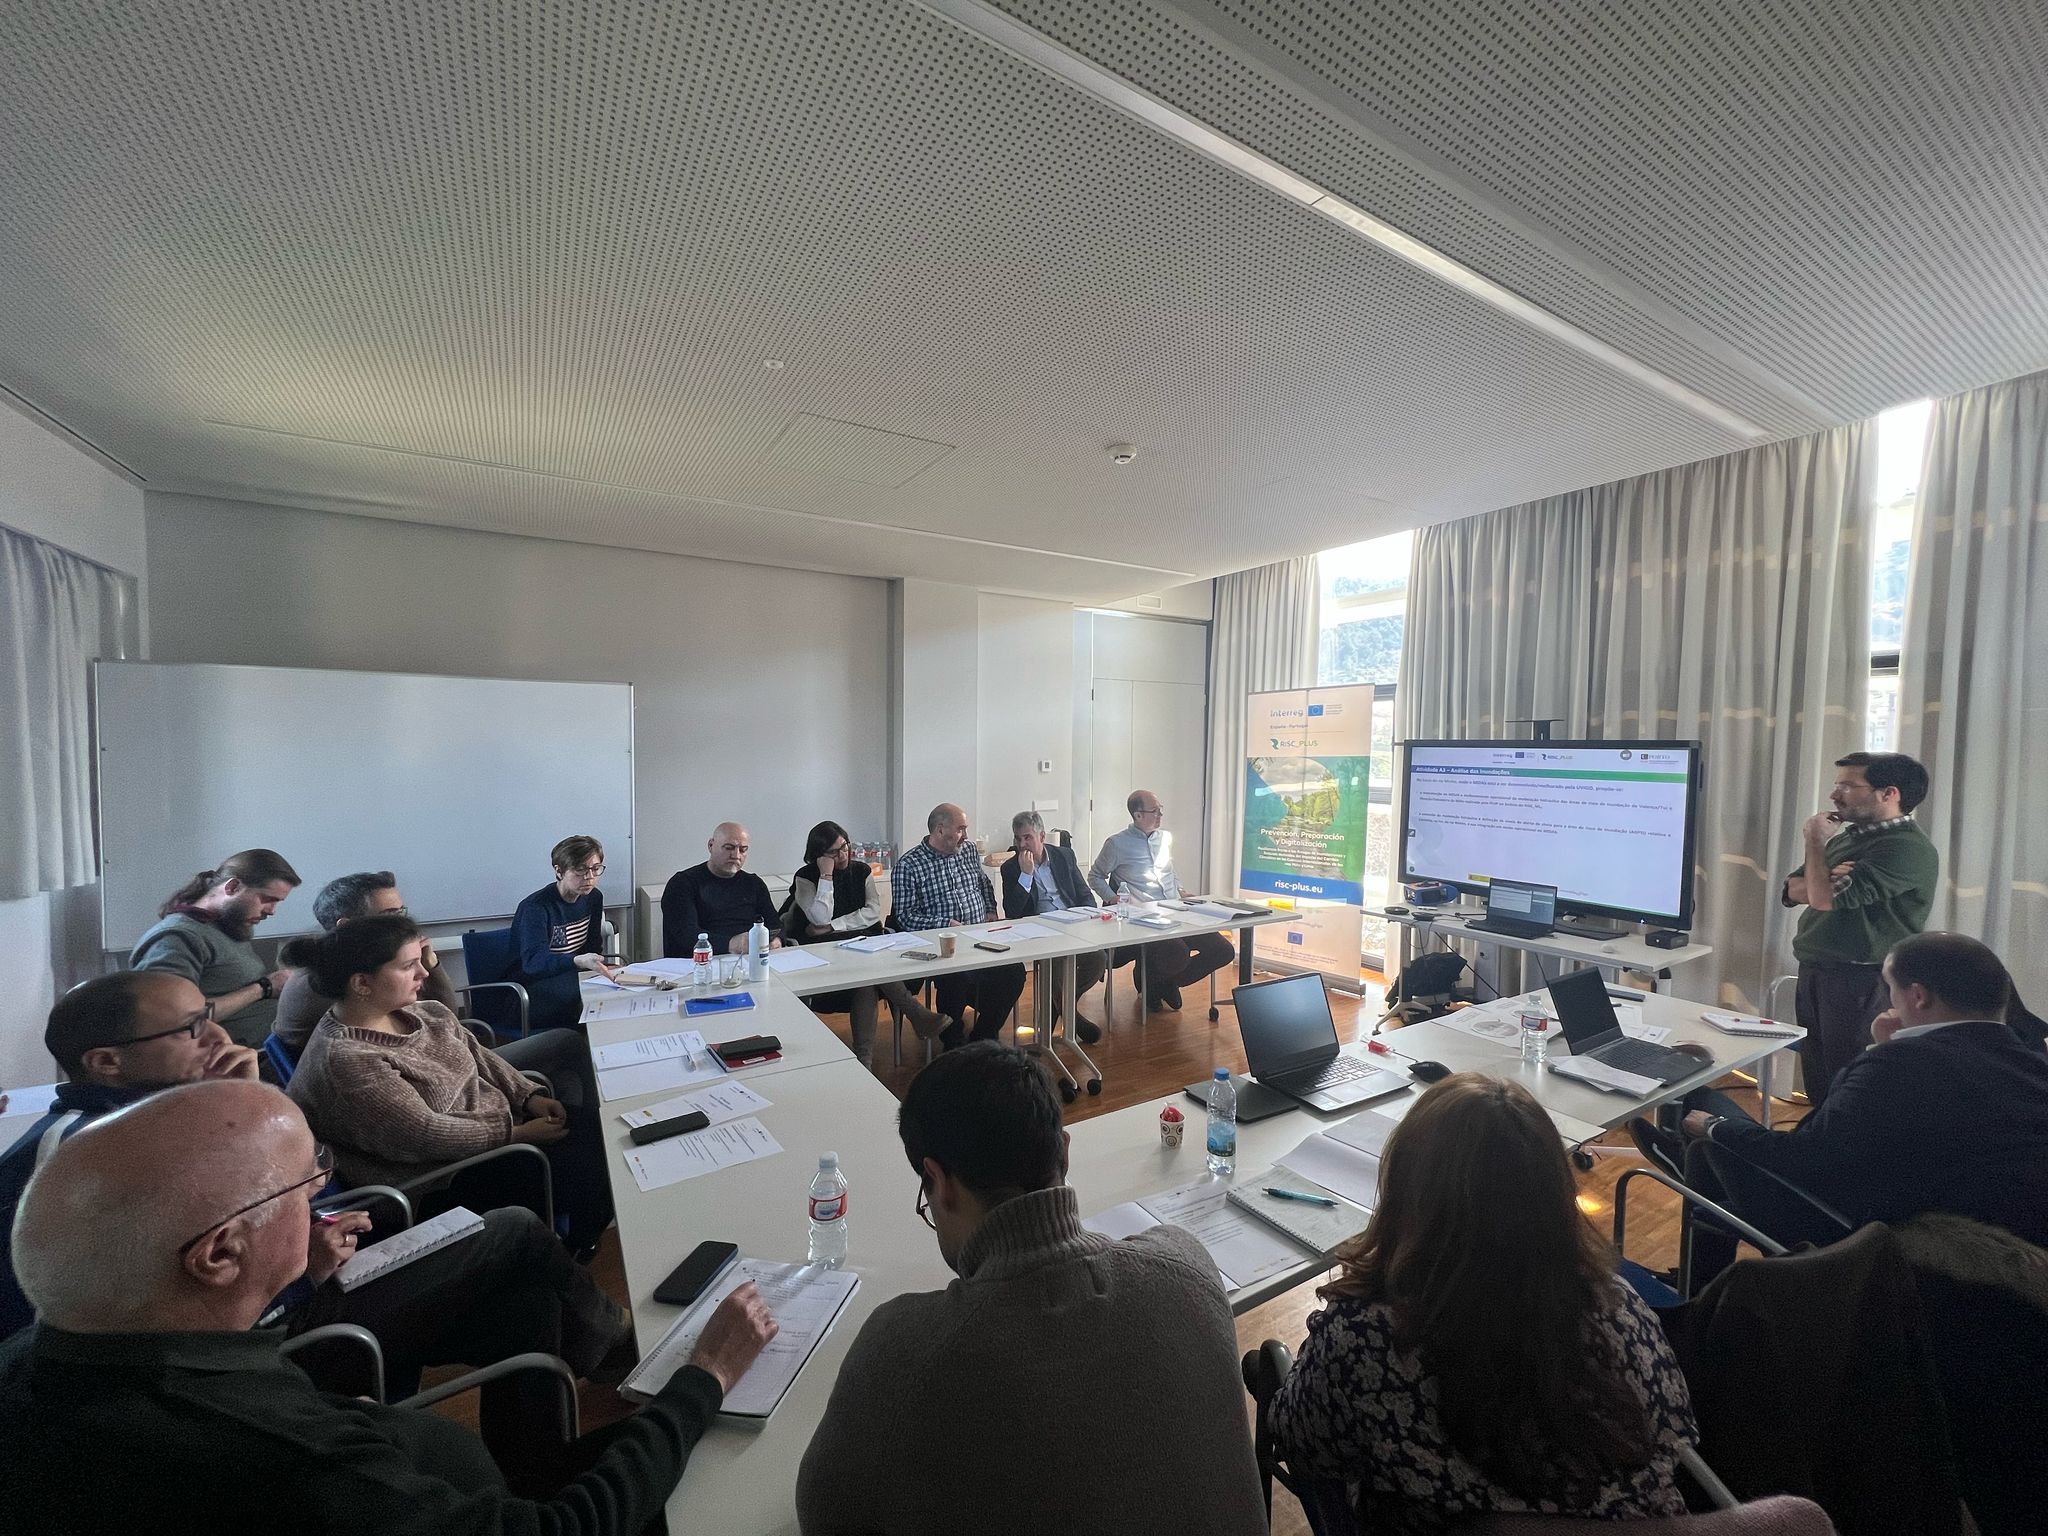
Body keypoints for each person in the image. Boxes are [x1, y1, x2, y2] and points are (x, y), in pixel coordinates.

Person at [0, 1078, 777, 1532]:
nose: (323, 1192)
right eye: (306, 1181)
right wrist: (702, 1377)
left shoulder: (56, 1355)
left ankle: (544, 1452)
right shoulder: (286, 1455)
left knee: (525, 1304)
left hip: (450, 1481)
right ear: (218, 1255)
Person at [0, 973, 637, 1410]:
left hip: (310, 1274)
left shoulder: (171, 1113)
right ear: (106, 1063)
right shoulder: (81, 1166)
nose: (222, 1038)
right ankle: (621, 1350)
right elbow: (131, 1338)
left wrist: (252, 1104)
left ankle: (536, 1477)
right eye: (193, 1029)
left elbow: (300, 1185)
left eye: (212, 1018)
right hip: (271, 1343)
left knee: (529, 1306)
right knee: (513, 1227)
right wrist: (304, 1270)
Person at [795, 1043, 1266, 1534]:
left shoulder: (903, 1353)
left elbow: (825, 1516)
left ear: (938, 1181)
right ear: (1064, 1149)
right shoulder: (1188, 1266)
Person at [1272, 1074, 1697, 1532]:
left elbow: (1303, 1445)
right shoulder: (1622, 1309)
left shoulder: (1366, 1339)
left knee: (1268, 1367)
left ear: (1407, 1194)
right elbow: (1678, 1432)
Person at [1670, 933, 2048, 1276]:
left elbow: (1804, 1157)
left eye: (1889, 988)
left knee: (1704, 1114)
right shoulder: (2033, 1063)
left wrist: (1716, 1127)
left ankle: (1699, 1281)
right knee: (1713, 1163)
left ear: (1918, 997)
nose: (1887, 1000)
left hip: (1852, 1224)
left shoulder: (1898, 1066)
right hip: (1980, 1233)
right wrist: (1888, 1047)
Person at [283, 914, 614, 1251]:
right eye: (408, 966)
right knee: (599, 1169)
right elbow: (425, 1136)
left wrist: (527, 1096)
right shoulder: (348, 1060)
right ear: (361, 984)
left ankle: (576, 1241)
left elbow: (479, 1056)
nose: (423, 972)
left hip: (491, 1136)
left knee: (608, 1137)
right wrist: (516, 1134)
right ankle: (575, 1248)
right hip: (440, 1180)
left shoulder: (425, 1012)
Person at [275, 869, 594, 1105]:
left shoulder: (364, 969)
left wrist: (430, 962)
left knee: (562, 1076)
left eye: (401, 912)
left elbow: (439, 1017)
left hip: (436, 1063)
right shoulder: (337, 983)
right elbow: (442, 1030)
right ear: (348, 927)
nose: (403, 923)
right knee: (566, 1045)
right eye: (390, 916)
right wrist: (512, 1116)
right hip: (427, 1080)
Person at [1780, 751, 1938, 1106]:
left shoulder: (1906, 848)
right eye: (1837, 785)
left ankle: (1845, 1140)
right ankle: (1820, 1136)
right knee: (1818, 1076)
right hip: (1817, 968)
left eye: (1848, 786)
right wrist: (1824, 879)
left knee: (1849, 1080)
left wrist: (1815, 844)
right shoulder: (1850, 838)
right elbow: (1793, 888)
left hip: (1860, 979)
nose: (1834, 795)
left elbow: (1821, 898)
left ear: (1889, 794)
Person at [785, 820, 950, 1070]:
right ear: (818, 855)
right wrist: (826, 876)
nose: (843, 855)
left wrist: (834, 926)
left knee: (866, 981)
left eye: (845, 847)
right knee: (867, 975)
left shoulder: (862, 871)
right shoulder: (805, 877)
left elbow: (872, 912)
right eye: (833, 852)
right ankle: (915, 1015)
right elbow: (819, 917)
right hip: (825, 957)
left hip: (865, 947)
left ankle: (865, 1061)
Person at [128, 848, 301, 1045]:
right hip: (234, 1057)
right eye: (267, 899)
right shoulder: (176, 938)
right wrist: (264, 988)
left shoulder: (228, 925)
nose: (271, 911)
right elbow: (170, 1021)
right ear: (233, 887)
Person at [889, 804, 1027, 1047]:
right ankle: (952, 1042)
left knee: (1013, 971)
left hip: (980, 937)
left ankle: (984, 1036)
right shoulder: (908, 865)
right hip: (942, 946)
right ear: (940, 830)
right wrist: (945, 925)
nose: (965, 835)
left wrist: (990, 908)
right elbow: (905, 917)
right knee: (955, 978)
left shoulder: (968, 850)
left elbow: (983, 883)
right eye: (961, 829)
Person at [1087, 789, 1233, 1012]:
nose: (1160, 815)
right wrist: (1112, 898)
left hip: (1175, 909)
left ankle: (1160, 982)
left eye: (1160, 810)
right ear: (1138, 815)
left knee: (1223, 950)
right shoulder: (1116, 844)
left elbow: (1169, 871)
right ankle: (1154, 981)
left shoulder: (1164, 838)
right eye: (1154, 811)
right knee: (1178, 952)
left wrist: (1182, 891)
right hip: (1143, 916)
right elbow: (1095, 876)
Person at [999, 810, 1117, 1045]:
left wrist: (1088, 917)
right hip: (1039, 930)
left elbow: (1084, 893)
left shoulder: (1064, 856)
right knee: (1054, 963)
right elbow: (1012, 912)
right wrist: (1026, 875)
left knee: (1097, 959)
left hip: (1072, 924)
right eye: (1018, 839)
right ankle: (1065, 1021)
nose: (1022, 845)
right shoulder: (1011, 868)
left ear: (1042, 836)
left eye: (1027, 838)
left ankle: (1062, 1008)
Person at [509, 835, 619, 1031]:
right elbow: (533, 963)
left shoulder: (593, 898)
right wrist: (576, 961)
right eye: (580, 870)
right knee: (590, 1003)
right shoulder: (535, 907)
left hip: (569, 980)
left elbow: (593, 946)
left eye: (595, 868)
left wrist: (599, 967)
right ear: (559, 871)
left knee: (614, 989)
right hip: (528, 991)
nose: (589, 877)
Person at [661, 821, 783, 957]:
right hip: (701, 960)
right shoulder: (682, 883)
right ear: (711, 845)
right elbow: (685, 934)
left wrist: (776, 940)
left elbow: (775, 924)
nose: (736, 855)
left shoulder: (754, 883)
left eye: (743, 850)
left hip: (751, 958)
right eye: (729, 848)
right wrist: (730, 944)